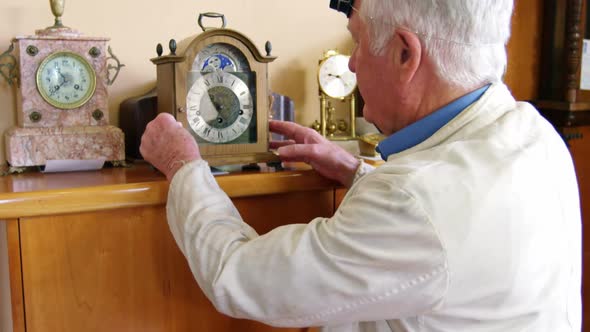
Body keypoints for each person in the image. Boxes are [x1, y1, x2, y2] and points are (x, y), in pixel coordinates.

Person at [140, 0, 582, 331]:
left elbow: (237, 277)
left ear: (406, 55)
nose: (351, 62)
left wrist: (182, 165)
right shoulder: (535, 133)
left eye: (357, 42)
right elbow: (447, 232)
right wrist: (356, 172)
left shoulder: (413, 202)